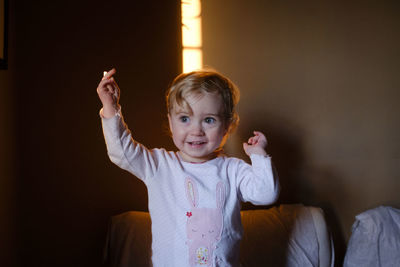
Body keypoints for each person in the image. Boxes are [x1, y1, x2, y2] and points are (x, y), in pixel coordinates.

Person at [97, 68, 279, 267]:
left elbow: (266, 193)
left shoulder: (233, 170)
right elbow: (120, 151)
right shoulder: (159, 165)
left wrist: (259, 156)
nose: (196, 130)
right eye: (185, 118)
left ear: (227, 126)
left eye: (209, 120)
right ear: (171, 122)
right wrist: (110, 106)